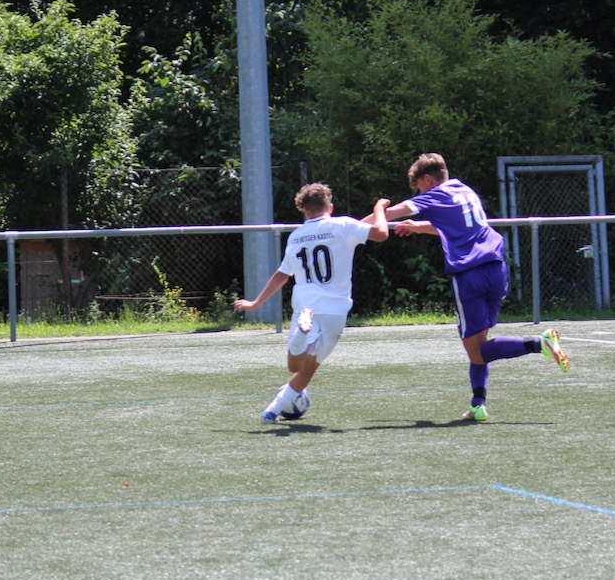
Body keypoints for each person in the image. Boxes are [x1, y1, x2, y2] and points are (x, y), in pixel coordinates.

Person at [372, 152, 569, 421]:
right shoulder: (464, 190)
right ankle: (478, 403)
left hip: (470, 275)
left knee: (476, 351)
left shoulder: (434, 194)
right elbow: (455, 226)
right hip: (495, 268)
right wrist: (418, 227)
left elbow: (387, 215)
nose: (420, 193)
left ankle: (539, 343)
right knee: (480, 343)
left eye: (419, 187)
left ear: (428, 179)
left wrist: (355, 224)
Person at [234, 183, 390, 423]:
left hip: (305, 306)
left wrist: (255, 303)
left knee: (295, 365)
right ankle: (271, 411)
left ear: (305, 211)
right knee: (309, 367)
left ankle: (297, 343)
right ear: (331, 207)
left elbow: (282, 275)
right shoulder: (344, 225)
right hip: (335, 309)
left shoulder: (296, 236)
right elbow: (381, 233)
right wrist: (379, 208)